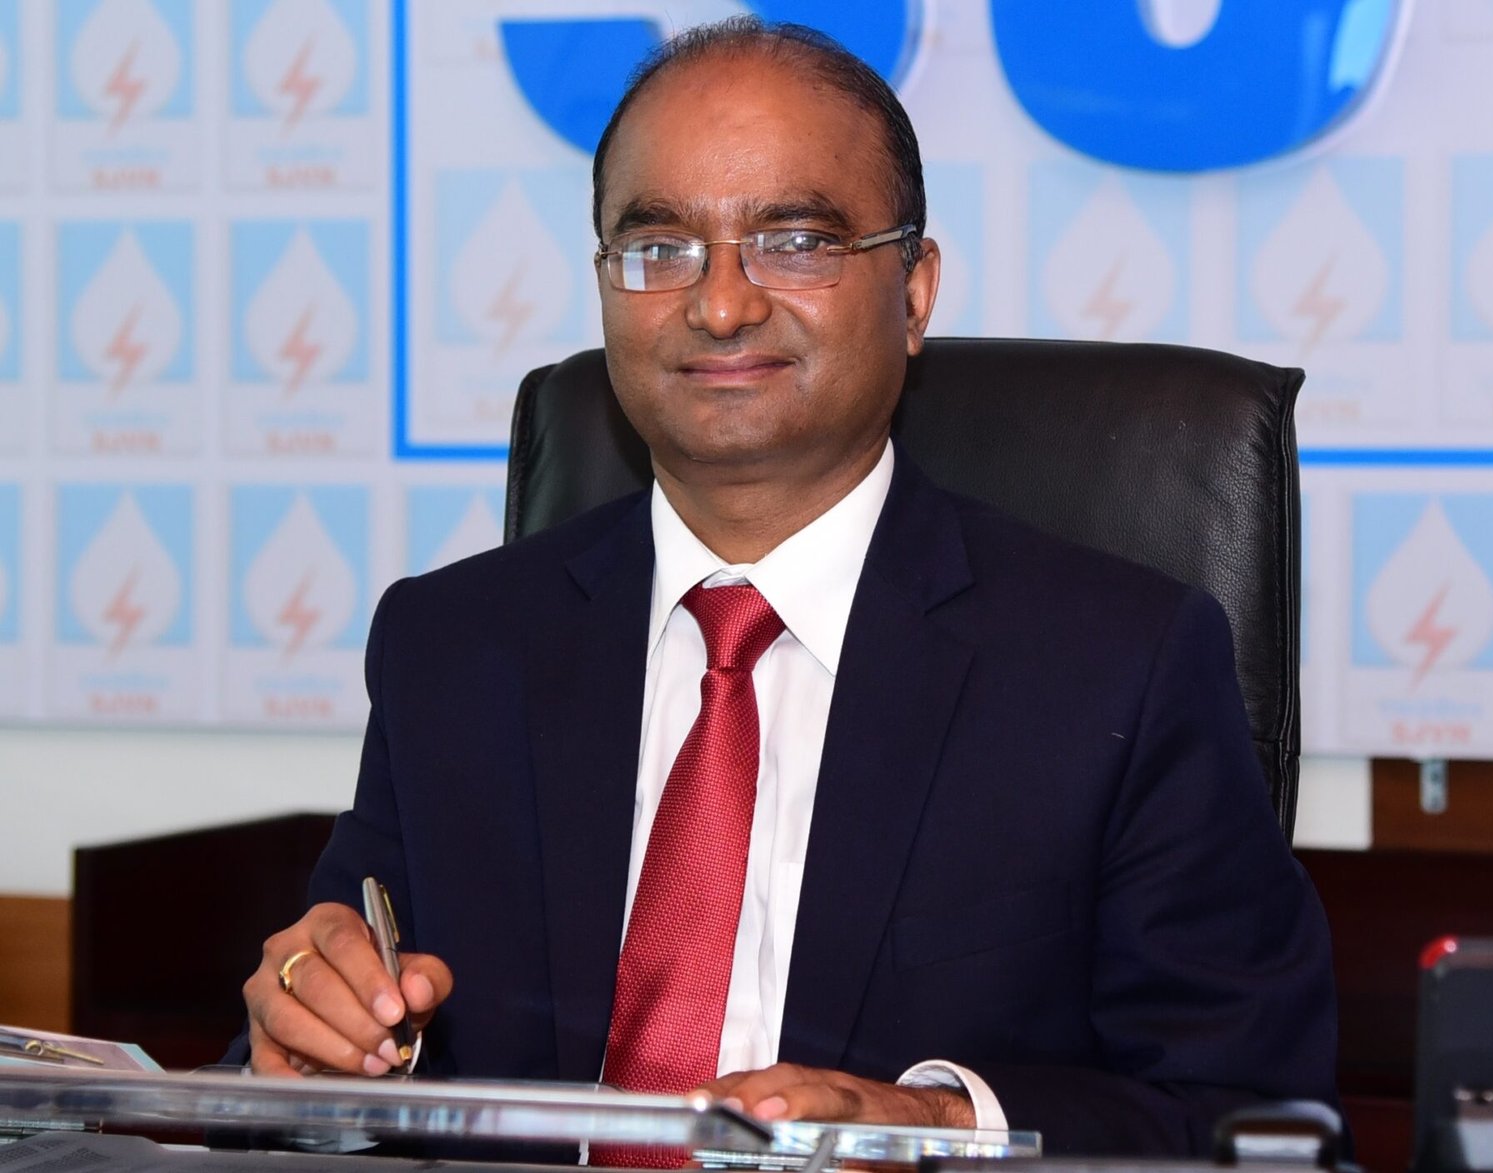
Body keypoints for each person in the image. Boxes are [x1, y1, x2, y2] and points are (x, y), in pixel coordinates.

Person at [233, 18, 1338, 1156]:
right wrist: (305, 1045)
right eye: (660, 246)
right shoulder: (454, 649)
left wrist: (936, 1124)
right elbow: (328, 1046)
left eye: (795, 241)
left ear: (915, 291)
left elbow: (1247, 1112)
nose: (720, 305)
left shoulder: (1114, 666)